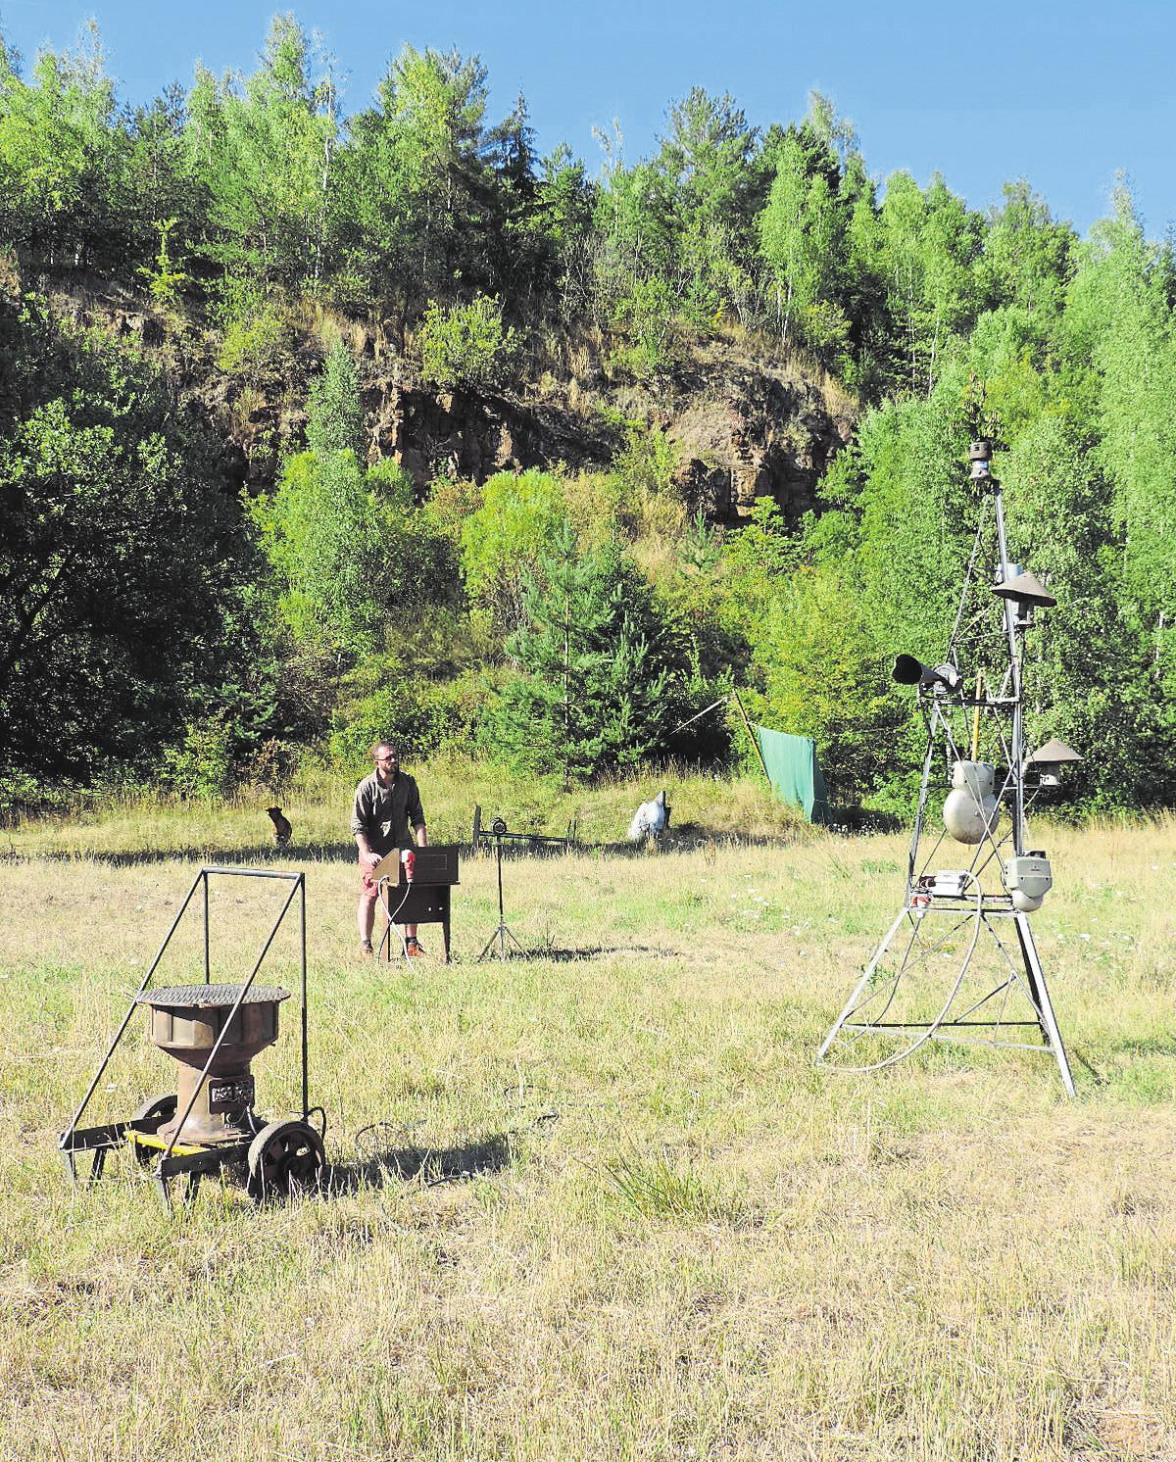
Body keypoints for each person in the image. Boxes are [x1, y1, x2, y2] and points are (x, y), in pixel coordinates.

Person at [351, 741, 428, 957]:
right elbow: (358, 826)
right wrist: (366, 853)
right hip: (375, 851)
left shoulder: (408, 783)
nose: (393, 761)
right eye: (388, 758)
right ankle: (366, 945)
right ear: (377, 762)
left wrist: (423, 850)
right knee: (370, 894)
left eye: (395, 756)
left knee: (408, 892)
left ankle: (411, 943)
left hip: (403, 848)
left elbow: (418, 818)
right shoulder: (366, 787)